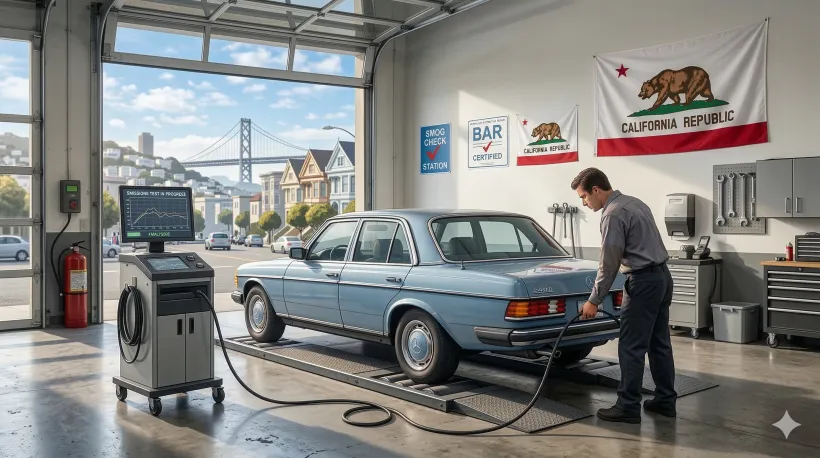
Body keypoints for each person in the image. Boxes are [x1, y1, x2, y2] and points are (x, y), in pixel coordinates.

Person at [570, 167, 677, 424]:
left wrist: (593, 300)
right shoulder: (635, 203)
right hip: (662, 277)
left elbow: (609, 264)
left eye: (584, 197)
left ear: (596, 190)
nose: (584, 203)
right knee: (659, 343)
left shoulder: (613, 214)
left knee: (631, 346)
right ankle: (665, 401)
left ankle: (627, 406)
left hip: (642, 282)